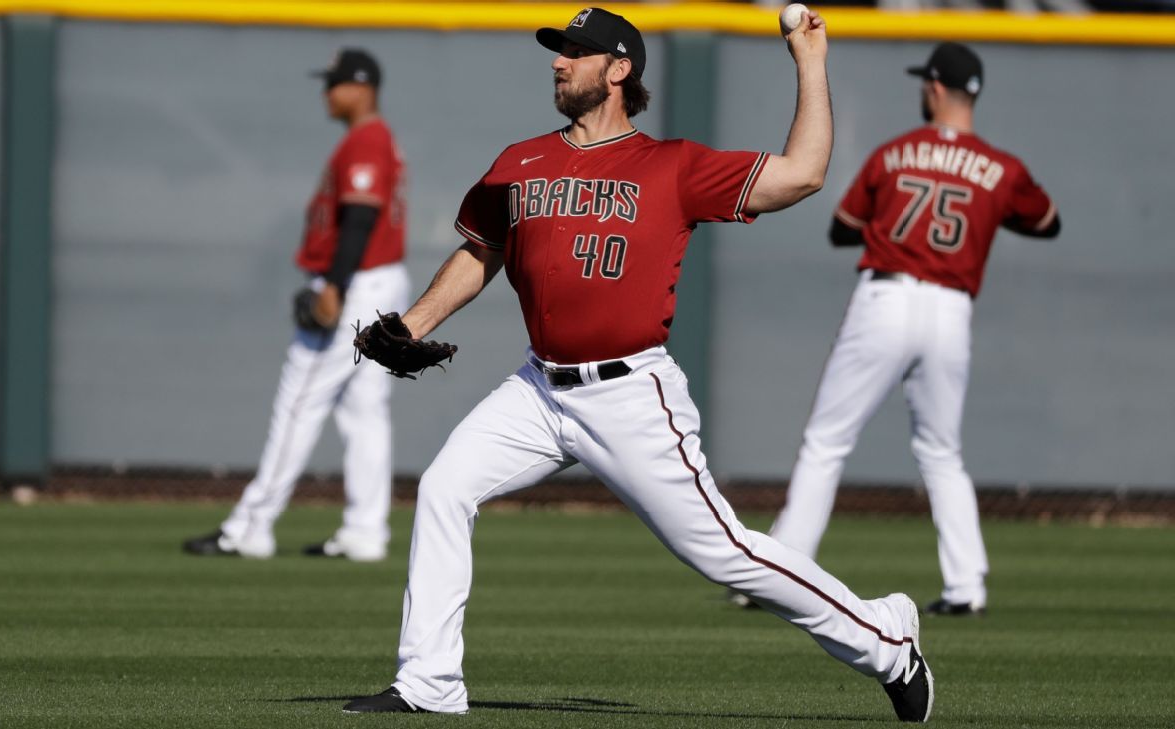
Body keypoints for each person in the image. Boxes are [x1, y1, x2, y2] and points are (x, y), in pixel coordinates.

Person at [343, 7, 934, 722]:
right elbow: (480, 252)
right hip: (538, 386)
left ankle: (886, 639)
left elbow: (804, 175)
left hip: (630, 391)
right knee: (443, 489)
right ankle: (429, 683)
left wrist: (809, 61)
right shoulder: (519, 163)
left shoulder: (672, 166)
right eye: (558, 51)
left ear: (619, 70)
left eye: (577, 52)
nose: (559, 62)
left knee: (723, 552)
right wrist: (412, 323)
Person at [755, 42, 1060, 616]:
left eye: (927, 82)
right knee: (942, 452)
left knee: (827, 440)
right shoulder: (1002, 168)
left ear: (937, 88)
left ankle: (785, 569)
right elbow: (1048, 222)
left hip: (886, 299)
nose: (923, 90)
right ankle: (966, 588)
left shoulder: (895, 153)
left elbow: (843, 229)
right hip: (951, 310)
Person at [183, 48, 409, 561]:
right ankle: (365, 532)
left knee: (299, 402)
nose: (325, 93)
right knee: (364, 411)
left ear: (362, 88)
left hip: (358, 285)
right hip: (378, 283)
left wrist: (333, 285)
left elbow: (359, 220)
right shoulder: (374, 139)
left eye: (333, 84)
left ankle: (250, 527)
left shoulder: (368, 141)